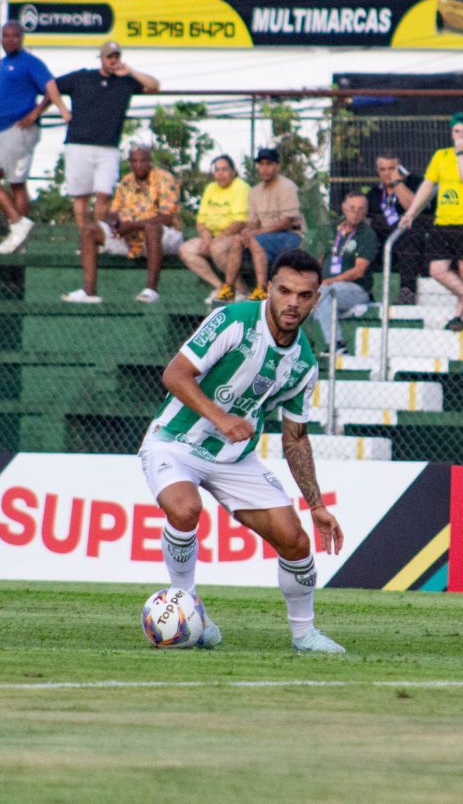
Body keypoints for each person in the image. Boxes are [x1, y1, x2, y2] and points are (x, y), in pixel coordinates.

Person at [139, 248, 346, 654]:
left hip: (234, 458)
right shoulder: (232, 320)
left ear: (316, 299)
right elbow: (174, 374)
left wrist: (316, 504)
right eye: (284, 291)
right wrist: (221, 418)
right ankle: (188, 608)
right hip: (174, 442)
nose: (292, 303)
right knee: (184, 509)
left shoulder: (304, 363)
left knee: (295, 541)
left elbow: (296, 438)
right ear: (269, 288)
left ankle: (304, 634)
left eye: (304, 295)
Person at [44, 42, 158, 267]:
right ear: (101, 59)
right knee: (81, 196)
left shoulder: (126, 81)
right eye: (109, 57)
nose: (112, 61)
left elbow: (154, 86)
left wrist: (131, 72)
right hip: (78, 143)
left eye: (116, 56)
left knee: (104, 194)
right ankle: (84, 240)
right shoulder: (82, 77)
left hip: (108, 147)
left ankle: (99, 237)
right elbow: (51, 85)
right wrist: (62, 109)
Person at [0, 20, 71, 255]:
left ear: (21, 39)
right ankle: (19, 224)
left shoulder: (30, 62)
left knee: (16, 183)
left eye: (14, 36)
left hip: (19, 130)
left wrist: (37, 112)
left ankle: (18, 236)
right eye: (5, 36)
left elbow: (51, 87)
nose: (9, 40)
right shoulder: (4, 64)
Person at [399, 112, 463, 330]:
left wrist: (461, 153)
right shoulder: (440, 156)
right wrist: (412, 211)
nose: (461, 135)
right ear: (451, 133)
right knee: (437, 269)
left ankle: (460, 316)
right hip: (443, 221)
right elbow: (427, 186)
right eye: (457, 131)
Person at [62, 145, 182, 304]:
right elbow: (113, 213)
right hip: (130, 238)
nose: (139, 165)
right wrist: (116, 225)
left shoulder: (165, 178)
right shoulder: (126, 181)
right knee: (89, 230)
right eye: (135, 161)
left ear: (150, 161)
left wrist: (133, 225)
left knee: (152, 228)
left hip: (165, 238)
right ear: (130, 162)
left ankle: (151, 290)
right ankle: (89, 291)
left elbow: (167, 218)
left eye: (143, 160)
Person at [236, 146, 306, 302]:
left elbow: (286, 223)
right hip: (266, 236)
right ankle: (232, 288)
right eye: (261, 164)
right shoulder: (254, 191)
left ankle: (260, 289)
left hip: (292, 236)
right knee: (237, 240)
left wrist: (255, 233)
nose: (264, 168)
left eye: (269, 163)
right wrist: (246, 232)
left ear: (277, 165)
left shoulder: (287, 186)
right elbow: (253, 222)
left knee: (255, 240)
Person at [178, 154, 250, 303]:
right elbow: (201, 221)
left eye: (224, 169)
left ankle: (241, 291)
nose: (220, 173)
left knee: (216, 247)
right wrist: (206, 238)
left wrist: (214, 240)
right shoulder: (211, 188)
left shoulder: (241, 187)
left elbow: (240, 222)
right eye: (217, 170)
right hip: (213, 237)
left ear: (233, 171)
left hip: (237, 236)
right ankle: (221, 287)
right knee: (185, 249)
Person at [314, 191, 378, 356]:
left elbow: (359, 271)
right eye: (352, 208)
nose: (356, 213)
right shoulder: (332, 229)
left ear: (366, 211)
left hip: (355, 290)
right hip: (326, 287)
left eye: (360, 209)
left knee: (325, 293)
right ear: (343, 207)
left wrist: (329, 282)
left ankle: (337, 344)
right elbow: (318, 258)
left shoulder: (367, 235)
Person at [366, 150, 430, 305]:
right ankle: (365, 291)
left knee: (409, 236)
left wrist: (397, 183)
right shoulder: (374, 193)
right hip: (382, 244)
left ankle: (407, 291)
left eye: (391, 168)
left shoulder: (414, 183)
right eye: (383, 169)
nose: (387, 173)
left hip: (411, 242)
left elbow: (414, 208)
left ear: (399, 168)